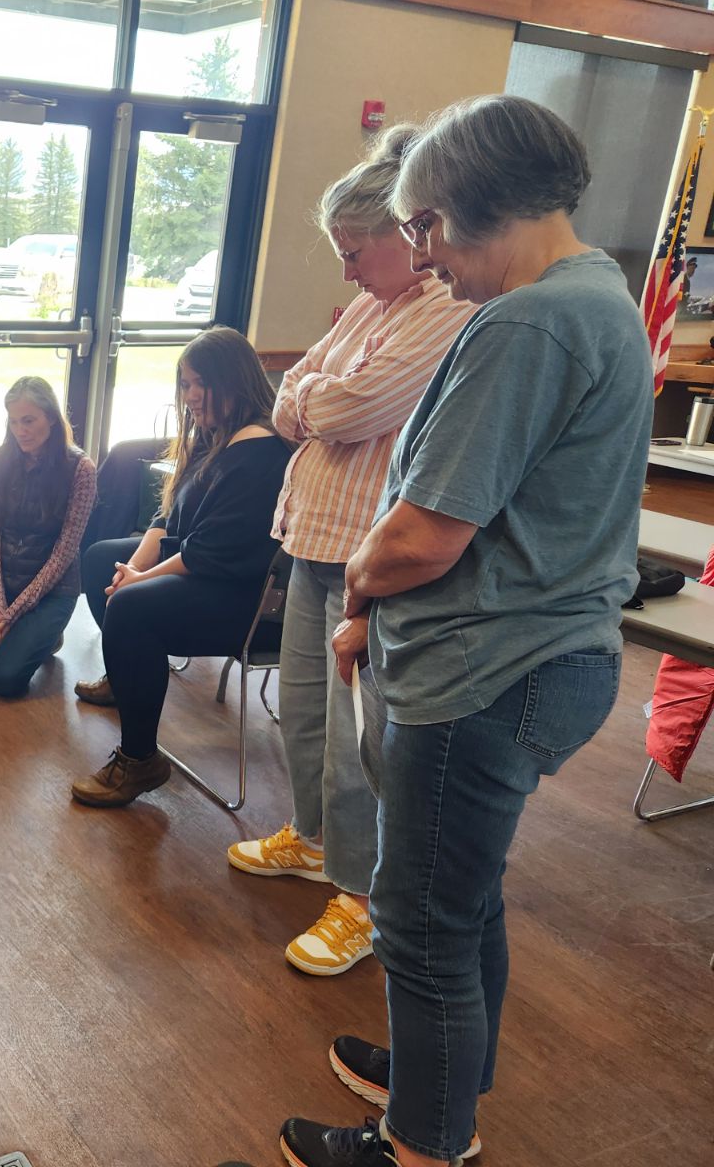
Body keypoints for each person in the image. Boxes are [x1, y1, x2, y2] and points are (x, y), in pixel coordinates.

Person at [277, 95, 652, 1167]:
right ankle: (444, 1065)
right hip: (547, 656)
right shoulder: (597, 291)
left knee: (421, 917)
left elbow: (422, 538)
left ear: (472, 206)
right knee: (461, 886)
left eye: (425, 227)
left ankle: (422, 1143)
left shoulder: (526, 320)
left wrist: (355, 591)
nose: (424, 256)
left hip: (489, 670)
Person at [227, 128, 476, 979]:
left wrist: (314, 398)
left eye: (354, 251)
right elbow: (292, 388)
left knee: (354, 737)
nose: (346, 272)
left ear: (404, 236)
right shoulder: (377, 303)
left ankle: (362, 897)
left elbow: (346, 407)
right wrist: (311, 395)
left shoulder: (446, 307)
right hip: (312, 538)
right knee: (302, 708)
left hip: (370, 557)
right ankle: (314, 838)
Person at [71, 328, 290, 806]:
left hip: (242, 601)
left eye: (199, 385)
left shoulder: (259, 452)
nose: (189, 397)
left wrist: (138, 582)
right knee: (97, 559)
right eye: (184, 385)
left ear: (233, 382)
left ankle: (139, 759)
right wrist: (131, 566)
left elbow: (207, 555)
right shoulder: (217, 439)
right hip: (202, 567)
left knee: (131, 608)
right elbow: (166, 517)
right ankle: (126, 671)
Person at [0, 376, 97, 698]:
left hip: (52, 592)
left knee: (6, 681)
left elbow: (64, 553)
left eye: (29, 420)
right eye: (14, 421)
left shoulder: (81, 469)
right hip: (1, 583)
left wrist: (14, 613)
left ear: (52, 418)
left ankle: (48, 633)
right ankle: (23, 637)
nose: (20, 430)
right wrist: (1, 607)